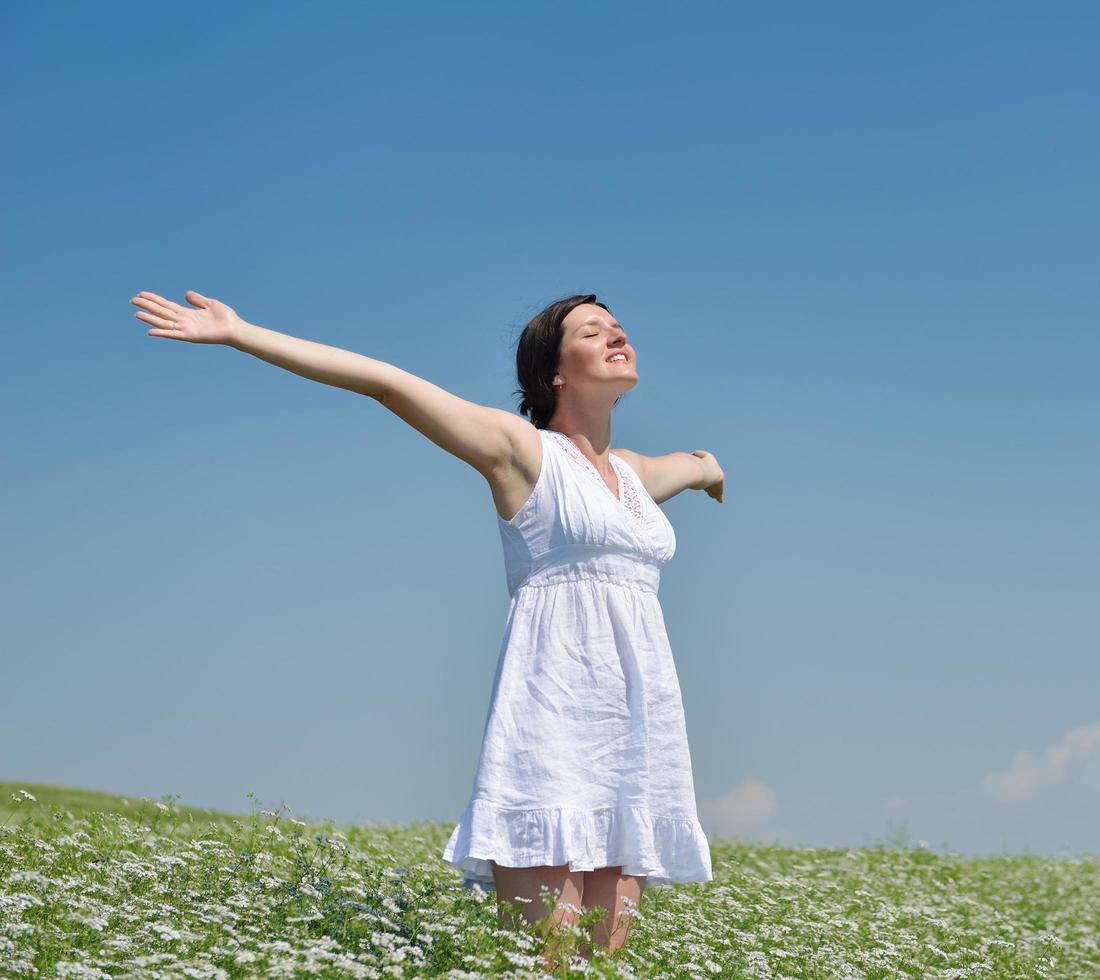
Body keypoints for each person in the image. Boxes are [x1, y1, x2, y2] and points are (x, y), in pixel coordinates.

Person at [129, 289, 725, 963]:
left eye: (620, 329)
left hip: (635, 734)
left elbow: (694, 464)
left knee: (606, 960)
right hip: (554, 725)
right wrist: (241, 334)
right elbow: (387, 384)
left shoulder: (636, 476)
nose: (618, 338)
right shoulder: (520, 450)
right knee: (547, 960)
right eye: (594, 332)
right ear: (553, 371)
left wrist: (710, 471)